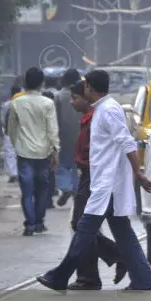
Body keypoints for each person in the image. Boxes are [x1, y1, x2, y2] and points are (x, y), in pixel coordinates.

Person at [37, 70, 151, 292]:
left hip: (106, 184)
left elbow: (126, 141)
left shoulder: (109, 110)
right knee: (122, 233)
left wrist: (138, 172)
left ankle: (60, 276)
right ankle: (144, 280)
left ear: (90, 87)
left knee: (84, 230)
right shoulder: (102, 109)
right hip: (104, 181)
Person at [64, 81, 125, 290]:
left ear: (87, 96)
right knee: (84, 225)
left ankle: (94, 272)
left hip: (95, 177)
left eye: (75, 98)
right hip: (89, 176)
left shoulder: (97, 118)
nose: (72, 102)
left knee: (81, 225)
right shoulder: (88, 119)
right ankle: (95, 270)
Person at [6, 66, 59, 236]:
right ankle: (39, 222)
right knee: (42, 189)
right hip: (43, 152)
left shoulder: (16, 103)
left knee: (27, 191)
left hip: (23, 152)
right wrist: (55, 150)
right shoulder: (48, 103)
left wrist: (17, 144)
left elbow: (11, 130)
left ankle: (29, 223)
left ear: (25, 83)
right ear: (42, 83)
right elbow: (52, 129)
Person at [53, 69, 82, 207]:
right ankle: (76, 189)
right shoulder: (82, 96)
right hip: (81, 134)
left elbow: (54, 117)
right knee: (77, 165)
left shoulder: (58, 96)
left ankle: (66, 188)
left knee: (63, 164)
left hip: (63, 134)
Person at [1, 84, 21, 183]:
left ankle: (13, 173)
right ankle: (20, 172)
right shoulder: (23, 103)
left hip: (9, 130)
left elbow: (3, 118)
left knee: (10, 152)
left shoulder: (6, 104)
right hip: (20, 130)